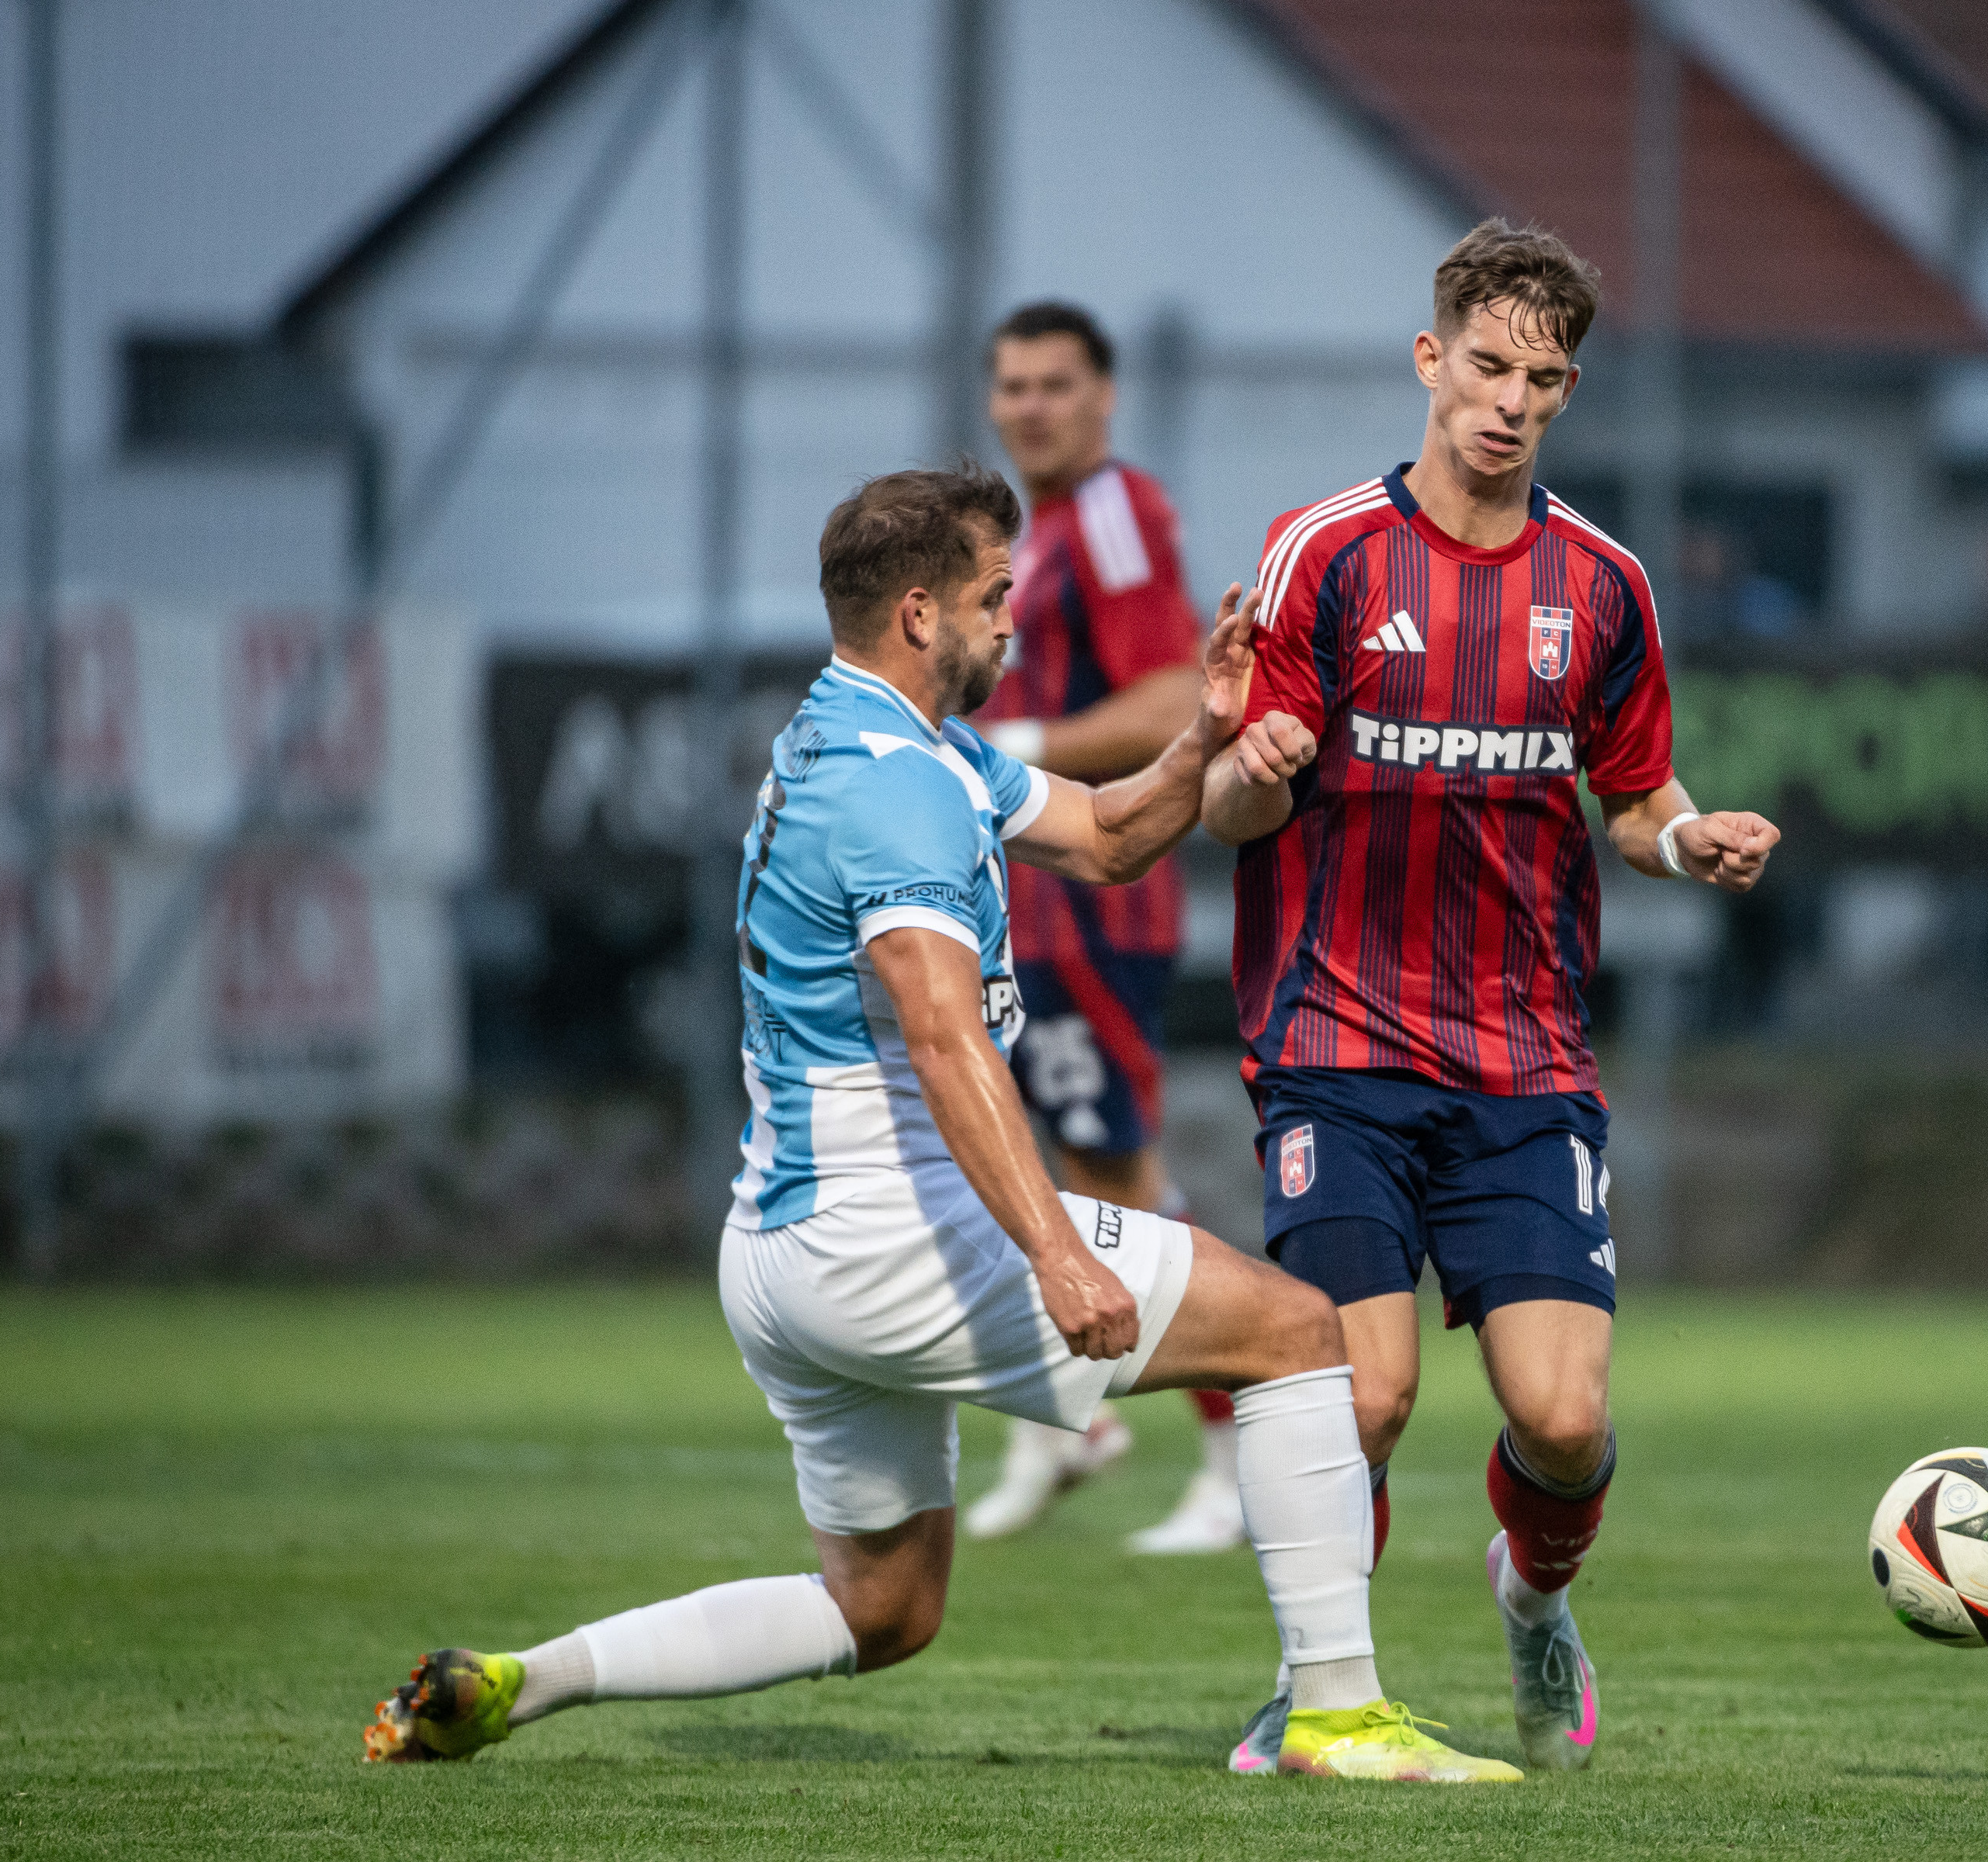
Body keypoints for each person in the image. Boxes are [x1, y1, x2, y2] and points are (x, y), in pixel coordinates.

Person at [361, 465, 1517, 1784]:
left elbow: (1105, 835)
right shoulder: (895, 788)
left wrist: (1204, 734)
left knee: (885, 1609)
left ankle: (525, 1680)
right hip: (886, 1230)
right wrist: (1057, 1253)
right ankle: (1334, 1714)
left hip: (780, 1252)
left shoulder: (878, 740)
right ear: (921, 612)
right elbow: (942, 1033)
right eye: (993, 596)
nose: (1012, 621)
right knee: (1299, 1333)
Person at [1199, 220, 1780, 1774]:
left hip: (1525, 1061)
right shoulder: (1325, 554)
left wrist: (1689, 841)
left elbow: (1636, 798)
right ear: (1430, 358)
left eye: (1544, 378)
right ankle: (1317, 1687)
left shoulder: (1604, 585)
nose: (1512, 401)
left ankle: (1533, 1598)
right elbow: (1235, 809)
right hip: (1337, 1045)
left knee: (1565, 1422)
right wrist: (1252, 763)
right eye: (1488, 366)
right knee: (1360, 1396)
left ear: (1569, 391)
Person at [961, 302, 1238, 1554]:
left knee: (1120, 1179)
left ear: (1104, 395)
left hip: (1095, 902)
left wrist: (1013, 747)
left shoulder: (1116, 511)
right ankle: (1065, 1423)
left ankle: (1238, 1452)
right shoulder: (1036, 535)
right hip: (1026, 906)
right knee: (1053, 1174)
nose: (1032, 406)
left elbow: (1178, 698)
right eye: (1013, 385)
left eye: (1056, 383)